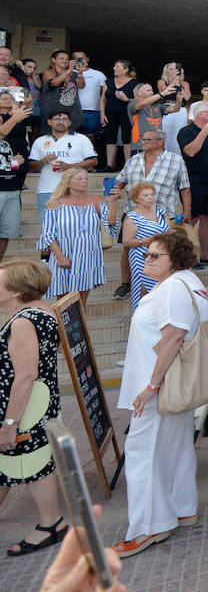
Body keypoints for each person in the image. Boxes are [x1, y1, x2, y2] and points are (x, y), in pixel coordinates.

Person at [113, 228, 208, 556]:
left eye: (155, 255)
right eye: (146, 254)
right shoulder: (185, 282)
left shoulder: (172, 288)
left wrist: (151, 385)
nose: (147, 260)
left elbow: (173, 336)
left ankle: (147, 527)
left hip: (160, 385)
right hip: (172, 382)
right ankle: (183, 507)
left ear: (175, 259)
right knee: (176, 447)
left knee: (143, 454)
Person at [0, 259, 65, 557]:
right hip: (40, 404)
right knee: (10, 462)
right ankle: (52, 523)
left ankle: (51, 524)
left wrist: (10, 423)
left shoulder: (23, 322)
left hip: (25, 409)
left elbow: (25, 375)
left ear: (15, 291)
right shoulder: (42, 310)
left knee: (34, 465)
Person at [38, 169, 114, 309]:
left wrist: (112, 202)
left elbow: (110, 225)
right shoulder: (55, 204)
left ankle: (79, 330)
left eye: (85, 178)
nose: (84, 181)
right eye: (79, 179)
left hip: (87, 256)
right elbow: (48, 234)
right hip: (64, 255)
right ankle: (63, 330)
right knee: (64, 299)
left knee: (82, 298)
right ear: (68, 183)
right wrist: (60, 256)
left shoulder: (95, 202)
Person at [27, 109, 96, 222]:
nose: (61, 122)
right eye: (57, 119)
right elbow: (31, 166)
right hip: (47, 190)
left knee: (74, 225)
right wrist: (44, 160)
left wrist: (68, 166)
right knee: (48, 228)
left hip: (74, 190)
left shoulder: (81, 139)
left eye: (65, 119)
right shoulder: (40, 141)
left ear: (69, 123)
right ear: (49, 122)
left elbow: (93, 161)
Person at [177, 104, 208, 267]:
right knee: (192, 218)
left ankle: (204, 254)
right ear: (201, 114)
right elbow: (190, 151)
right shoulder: (186, 131)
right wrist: (204, 133)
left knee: (207, 219)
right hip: (194, 181)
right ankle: (187, 257)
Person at [118, 182, 169, 311]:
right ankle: (140, 317)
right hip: (141, 256)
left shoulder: (161, 213)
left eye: (152, 194)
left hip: (162, 256)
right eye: (145, 195)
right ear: (137, 199)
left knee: (160, 290)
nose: (150, 197)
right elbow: (126, 241)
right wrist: (144, 241)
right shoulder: (132, 217)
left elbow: (170, 232)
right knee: (143, 289)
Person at [0, 91, 32, 263]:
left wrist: (14, 164)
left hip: (11, 188)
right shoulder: (7, 126)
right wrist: (13, 117)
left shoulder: (6, 143)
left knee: (6, 233)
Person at [38, 52, 84, 136]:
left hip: (72, 111)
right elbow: (54, 83)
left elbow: (81, 86)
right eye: (61, 58)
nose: (65, 61)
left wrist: (80, 73)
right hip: (51, 110)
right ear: (53, 60)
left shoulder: (73, 74)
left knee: (71, 137)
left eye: (67, 59)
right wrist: (69, 70)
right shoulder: (48, 72)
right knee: (49, 136)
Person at [71, 51, 106, 158]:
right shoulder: (69, 73)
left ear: (87, 59)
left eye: (82, 58)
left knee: (90, 137)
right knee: (72, 136)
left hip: (93, 110)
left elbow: (104, 95)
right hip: (73, 110)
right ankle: (74, 160)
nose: (80, 61)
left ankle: (90, 161)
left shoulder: (98, 74)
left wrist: (103, 112)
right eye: (77, 59)